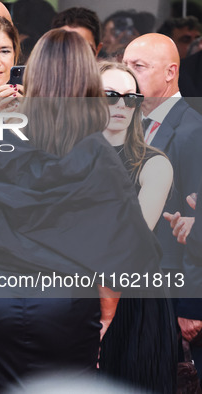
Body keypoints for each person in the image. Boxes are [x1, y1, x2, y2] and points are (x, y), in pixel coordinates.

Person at [0, 29, 162, 392]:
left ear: (32, 75)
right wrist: (103, 317)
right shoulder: (98, 155)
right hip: (66, 305)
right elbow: (122, 253)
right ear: (88, 83)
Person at [97, 61, 177, 393]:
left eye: (131, 98)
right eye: (111, 95)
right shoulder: (66, 158)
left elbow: (130, 243)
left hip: (134, 304)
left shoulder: (153, 164)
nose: (121, 105)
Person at [123, 35, 202, 371]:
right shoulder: (130, 123)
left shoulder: (190, 131)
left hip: (170, 288)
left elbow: (195, 219)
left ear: (171, 72)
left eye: (138, 67)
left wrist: (192, 305)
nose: (128, 76)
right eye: (124, 66)